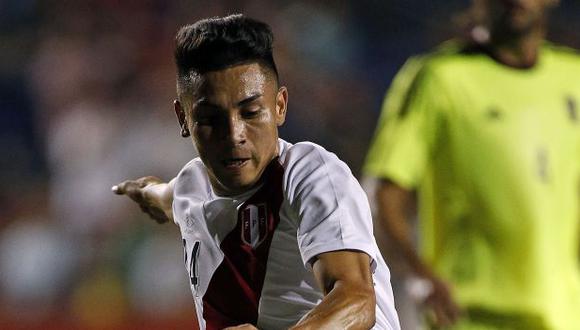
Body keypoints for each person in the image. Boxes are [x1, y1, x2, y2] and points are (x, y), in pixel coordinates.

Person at [112, 14, 400, 330]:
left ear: (279, 106)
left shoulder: (310, 175)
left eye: (250, 113)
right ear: (183, 118)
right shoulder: (188, 187)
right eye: (210, 119)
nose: (234, 133)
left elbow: (356, 300)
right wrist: (141, 190)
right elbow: (163, 196)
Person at [363, 0, 580, 329]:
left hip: (565, 315)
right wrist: (419, 276)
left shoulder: (572, 76)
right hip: (467, 315)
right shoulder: (439, 79)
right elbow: (383, 194)